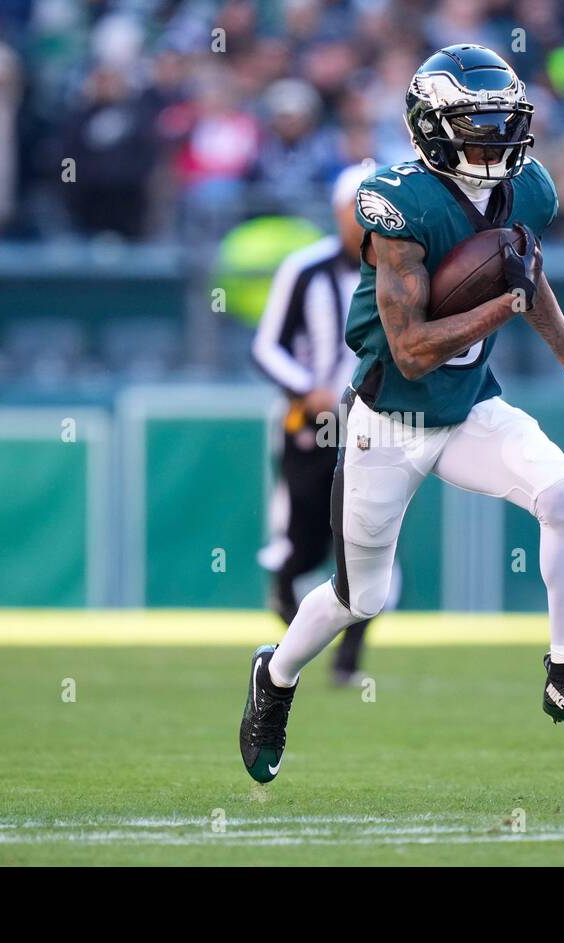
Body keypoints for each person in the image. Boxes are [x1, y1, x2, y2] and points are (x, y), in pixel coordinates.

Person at [239, 45, 564, 785]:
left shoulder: (529, 191)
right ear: (433, 127)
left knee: (560, 494)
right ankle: (276, 678)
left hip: (469, 410)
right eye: (478, 122)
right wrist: (507, 300)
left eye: (504, 120)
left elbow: (528, 275)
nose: (497, 136)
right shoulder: (398, 204)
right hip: (389, 421)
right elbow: (413, 349)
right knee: (358, 596)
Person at [252, 164, 385, 686]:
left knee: (370, 538)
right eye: (358, 207)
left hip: (377, 429)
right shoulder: (305, 269)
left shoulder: (407, 266)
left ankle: (348, 662)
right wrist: (308, 389)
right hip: (312, 426)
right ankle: (292, 626)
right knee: (303, 542)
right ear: (337, 211)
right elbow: (266, 346)